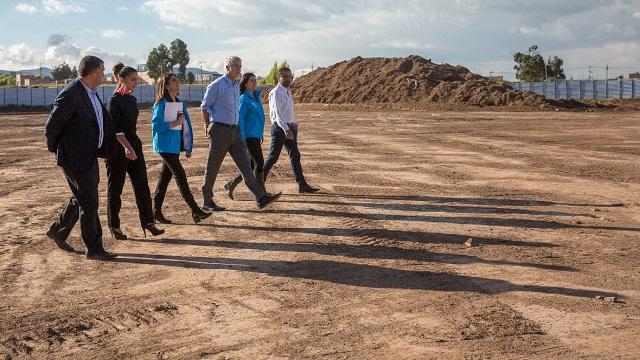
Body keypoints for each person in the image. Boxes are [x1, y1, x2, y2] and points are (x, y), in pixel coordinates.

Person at [44, 55, 118, 260]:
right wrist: (58, 149)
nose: (104, 76)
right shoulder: (71, 94)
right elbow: (52, 127)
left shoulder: (90, 92)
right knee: (89, 202)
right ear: (93, 73)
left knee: (83, 197)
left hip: (89, 154)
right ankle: (94, 249)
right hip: (75, 157)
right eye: (102, 72)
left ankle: (58, 230)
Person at [200, 56, 281, 210]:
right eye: (236, 66)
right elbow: (204, 107)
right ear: (227, 68)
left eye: (240, 66)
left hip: (235, 131)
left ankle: (261, 197)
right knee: (213, 166)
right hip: (219, 130)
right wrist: (207, 126)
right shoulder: (216, 85)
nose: (239, 69)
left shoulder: (236, 86)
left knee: (246, 166)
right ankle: (206, 200)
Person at [105, 63, 164, 240]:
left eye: (136, 80)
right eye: (132, 80)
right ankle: (114, 226)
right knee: (115, 188)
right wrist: (127, 148)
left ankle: (148, 222)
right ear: (121, 79)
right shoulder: (113, 101)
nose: (135, 83)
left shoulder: (131, 99)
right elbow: (116, 130)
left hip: (133, 143)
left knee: (142, 184)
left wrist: (133, 147)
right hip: (117, 147)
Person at [151, 73, 211, 224]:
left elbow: (185, 126)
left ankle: (155, 212)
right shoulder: (161, 104)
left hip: (174, 146)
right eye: (173, 80)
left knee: (164, 180)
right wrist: (173, 123)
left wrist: (187, 146)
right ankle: (195, 210)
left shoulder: (178, 102)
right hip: (164, 146)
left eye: (177, 79)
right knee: (180, 175)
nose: (177, 82)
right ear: (166, 86)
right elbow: (156, 126)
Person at [263, 67, 319, 193]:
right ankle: (259, 183)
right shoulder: (276, 92)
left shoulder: (287, 91)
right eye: (286, 77)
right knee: (273, 157)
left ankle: (302, 185)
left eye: (290, 77)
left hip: (289, 126)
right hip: (280, 128)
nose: (289, 79)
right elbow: (277, 114)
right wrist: (286, 129)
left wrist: (293, 125)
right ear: (279, 77)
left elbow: (287, 112)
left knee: (295, 155)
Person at [222, 72, 269, 199]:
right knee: (259, 162)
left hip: (255, 134)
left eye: (255, 80)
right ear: (245, 84)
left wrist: (261, 133)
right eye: (251, 81)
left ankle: (230, 184)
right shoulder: (243, 99)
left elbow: (259, 117)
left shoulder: (256, 97)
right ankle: (261, 193)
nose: (254, 83)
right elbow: (240, 119)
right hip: (247, 135)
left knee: (250, 165)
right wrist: (241, 137)